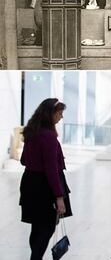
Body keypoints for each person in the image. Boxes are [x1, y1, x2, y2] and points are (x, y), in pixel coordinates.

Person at [19, 98, 72, 260]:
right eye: (59, 113)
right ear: (50, 114)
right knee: (48, 227)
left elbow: (23, 161)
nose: (61, 117)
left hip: (30, 183)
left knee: (37, 227)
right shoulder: (48, 137)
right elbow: (51, 170)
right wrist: (59, 196)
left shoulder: (31, 132)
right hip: (45, 187)